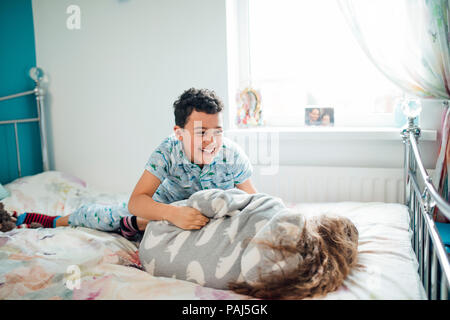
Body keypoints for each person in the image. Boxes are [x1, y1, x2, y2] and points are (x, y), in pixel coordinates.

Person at [14, 88, 257, 239]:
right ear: (179, 133)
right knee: (106, 217)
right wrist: (171, 213)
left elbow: (252, 201)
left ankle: (139, 226)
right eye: (201, 132)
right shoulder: (167, 151)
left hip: (204, 212)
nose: (211, 141)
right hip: (166, 205)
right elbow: (137, 199)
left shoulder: (231, 155)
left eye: (217, 132)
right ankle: (54, 220)